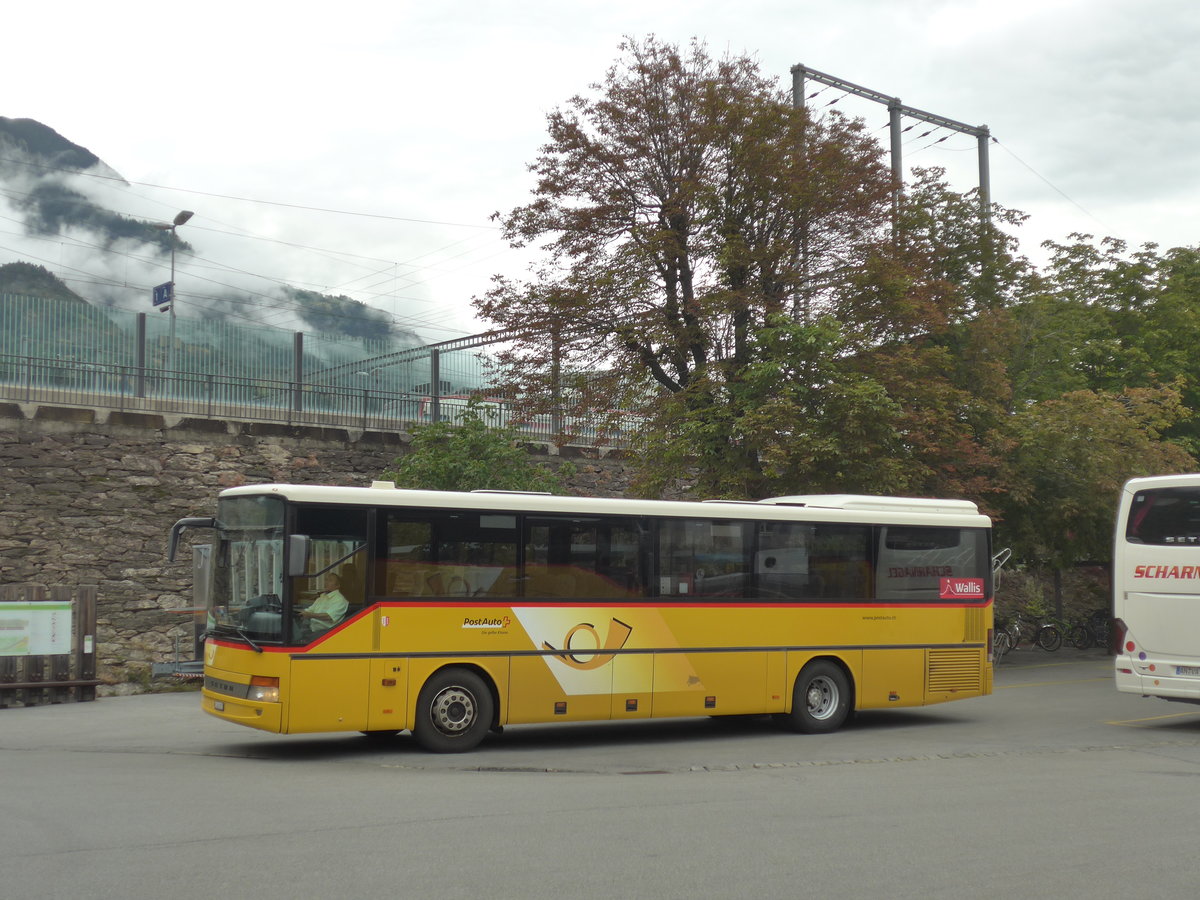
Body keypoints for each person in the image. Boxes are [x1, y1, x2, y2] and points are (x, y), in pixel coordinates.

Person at [295, 572, 348, 640]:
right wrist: (297, 612)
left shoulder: (340, 600)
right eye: (326, 580)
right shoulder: (322, 597)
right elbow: (310, 610)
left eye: (330, 580)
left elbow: (328, 616)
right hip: (312, 629)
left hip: (326, 633)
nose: (326, 582)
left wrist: (310, 615)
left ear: (337, 585)